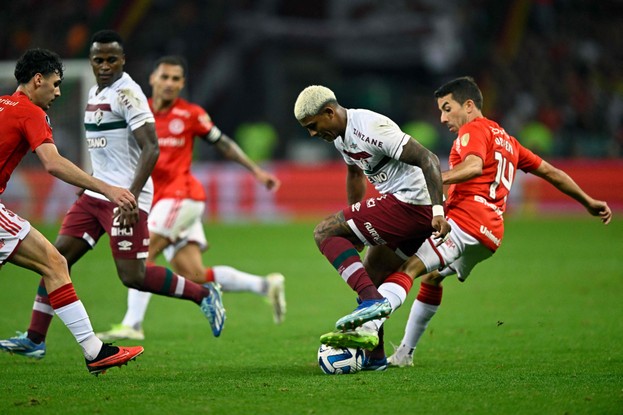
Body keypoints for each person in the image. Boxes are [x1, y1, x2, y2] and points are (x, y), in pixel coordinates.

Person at [325, 76, 612, 367]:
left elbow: (473, 166)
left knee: (408, 268)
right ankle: (404, 354)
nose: (443, 117)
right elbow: (551, 172)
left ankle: (368, 327)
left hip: (466, 220)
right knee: (434, 277)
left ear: (470, 105)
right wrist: (588, 201)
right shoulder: (508, 141)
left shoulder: (473, 130)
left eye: (447, 108)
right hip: (491, 234)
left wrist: (435, 179)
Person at [0, 30, 226, 360]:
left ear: (123, 61)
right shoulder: (92, 92)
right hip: (98, 193)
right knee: (56, 257)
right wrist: (91, 180)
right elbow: (93, 152)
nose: (104, 65)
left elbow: (152, 146)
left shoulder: (129, 94)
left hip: (125, 196)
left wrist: (130, 195)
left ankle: (202, 294)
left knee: (131, 275)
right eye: (98, 60)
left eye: (111, 59)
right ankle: (36, 338)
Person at [96, 55, 285, 341]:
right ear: (152, 79)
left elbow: (223, 143)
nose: (170, 83)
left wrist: (256, 171)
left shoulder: (191, 114)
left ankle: (132, 324)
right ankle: (265, 285)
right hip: (158, 200)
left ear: (183, 83)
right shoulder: (136, 111)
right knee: (194, 275)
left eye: (176, 79)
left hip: (181, 197)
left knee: (141, 256)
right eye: (164, 77)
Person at [0, 48, 143, 375]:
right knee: (54, 262)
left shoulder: (1, 105)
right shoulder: (30, 112)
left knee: (54, 262)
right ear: (38, 80)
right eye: (55, 83)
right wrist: (107, 188)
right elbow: (53, 163)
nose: (59, 91)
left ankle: (66, 346)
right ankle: (95, 351)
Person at [293, 85, 451, 370]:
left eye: (313, 126)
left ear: (329, 112)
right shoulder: (341, 138)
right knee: (373, 273)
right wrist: (355, 229)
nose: (313, 134)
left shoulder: (370, 127)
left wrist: (439, 211)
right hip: (407, 210)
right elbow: (355, 174)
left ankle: (370, 301)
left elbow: (429, 159)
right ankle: (375, 358)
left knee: (324, 232)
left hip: (413, 205)